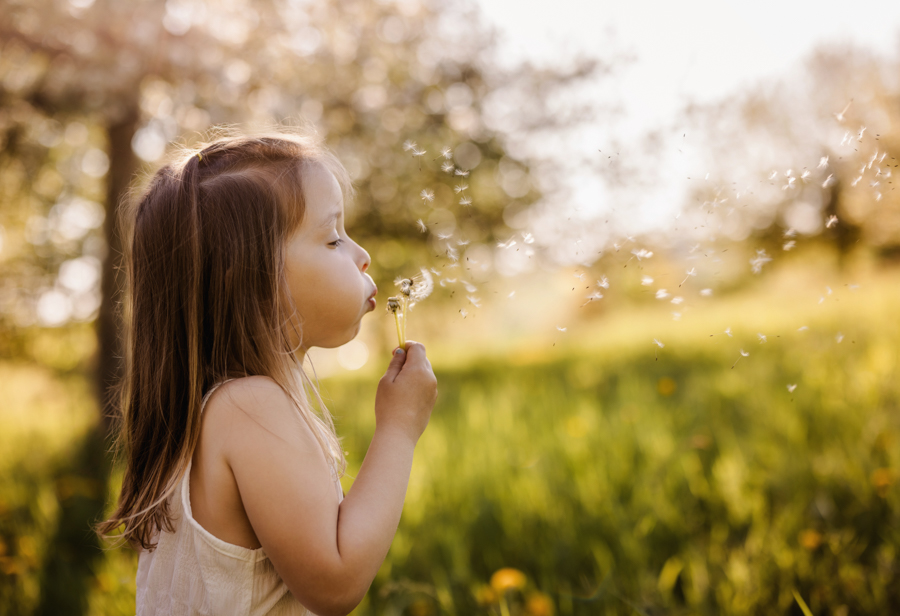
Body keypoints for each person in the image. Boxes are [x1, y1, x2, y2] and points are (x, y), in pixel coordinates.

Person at [96, 128, 439, 616]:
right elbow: (336, 582)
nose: (362, 255)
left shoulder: (219, 409)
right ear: (254, 279)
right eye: (333, 238)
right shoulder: (249, 406)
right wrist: (400, 429)